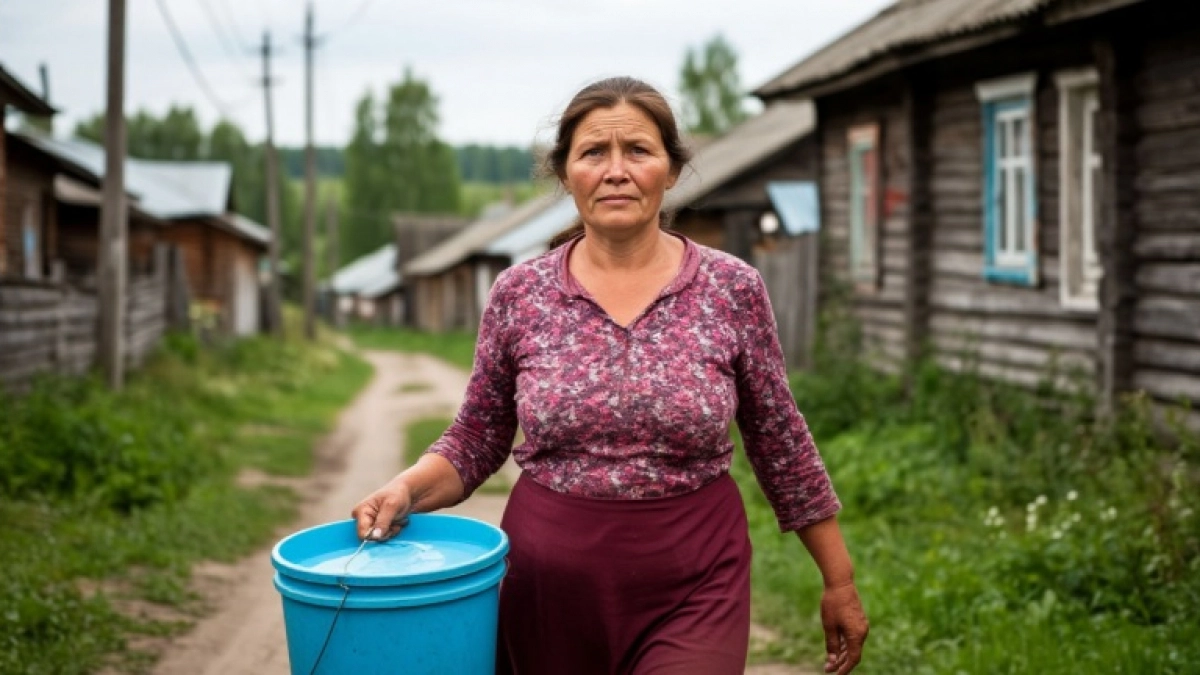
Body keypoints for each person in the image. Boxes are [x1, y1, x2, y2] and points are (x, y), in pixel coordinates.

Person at [353, 76, 868, 675]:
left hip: (695, 577)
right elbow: (477, 436)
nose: (616, 170)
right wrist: (406, 489)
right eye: (594, 152)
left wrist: (840, 579)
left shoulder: (731, 289)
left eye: (639, 151)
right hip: (549, 585)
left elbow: (780, 439)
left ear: (671, 171)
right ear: (566, 173)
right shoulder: (521, 294)